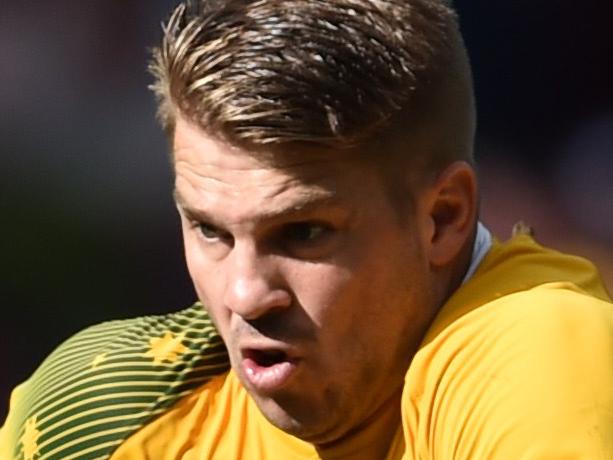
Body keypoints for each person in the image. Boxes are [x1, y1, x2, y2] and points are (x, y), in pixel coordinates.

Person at [2, 0, 612, 458]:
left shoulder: (544, 355)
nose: (244, 294)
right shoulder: (100, 416)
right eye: (210, 231)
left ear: (443, 218)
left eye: (304, 234)